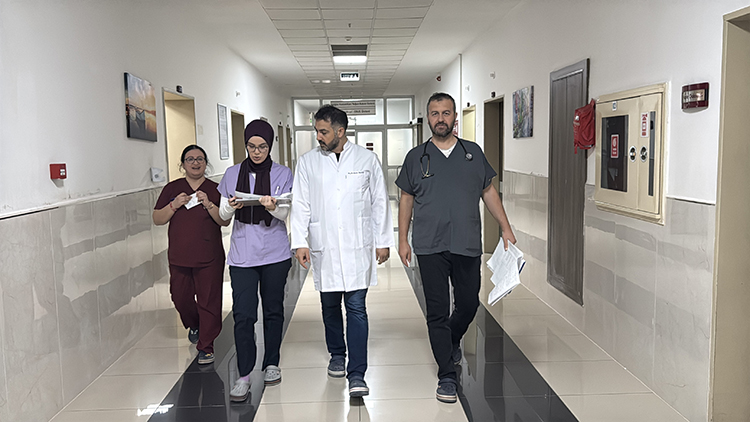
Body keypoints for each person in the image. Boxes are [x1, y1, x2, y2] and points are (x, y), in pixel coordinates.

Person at [396, 92, 516, 404]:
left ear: (454, 118)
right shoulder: (416, 157)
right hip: (429, 245)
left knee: (468, 303)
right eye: (435, 113)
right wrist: (402, 238)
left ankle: (451, 339)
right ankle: (446, 375)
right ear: (428, 118)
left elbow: (488, 191)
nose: (440, 119)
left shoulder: (472, 153)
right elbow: (406, 198)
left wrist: (505, 227)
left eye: (446, 113)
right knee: (436, 311)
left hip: (466, 243)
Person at [290, 105, 393, 398]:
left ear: (340, 131)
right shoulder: (308, 162)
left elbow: (379, 201)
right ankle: (337, 354)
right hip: (324, 246)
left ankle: (357, 373)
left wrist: (383, 240)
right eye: (317, 131)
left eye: (323, 132)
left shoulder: (366, 159)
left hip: (357, 246)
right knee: (330, 305)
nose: (318, 137)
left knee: (357, 308)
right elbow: (301, 204)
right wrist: (300, 241)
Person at [217, 120, 294, 402]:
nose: (257, 151)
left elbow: (285, 215)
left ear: (270, 146)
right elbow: (223, 215)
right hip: (242, 256)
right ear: (245, 145)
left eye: (262, 146)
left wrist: (272, 207)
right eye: (251, 146)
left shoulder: (282, 173)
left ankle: (271, 363)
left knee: (273, 310)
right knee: (244, 315)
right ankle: (243, 374)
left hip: (274, 253)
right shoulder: (232, 173)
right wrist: (230, 207)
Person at [153, 145, 228, 365]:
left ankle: (206, 346)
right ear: (183, 164)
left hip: (209, 256)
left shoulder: (215, 189)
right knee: (180, 297)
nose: (195, 163)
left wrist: (209, 203)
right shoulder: (172, 188)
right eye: (190, 159)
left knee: (209, 301)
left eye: (200, 159)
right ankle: (195, 324)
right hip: (180, 256)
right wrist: (174, 205)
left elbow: (224, 220)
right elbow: (157, 219)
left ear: (206, 163)